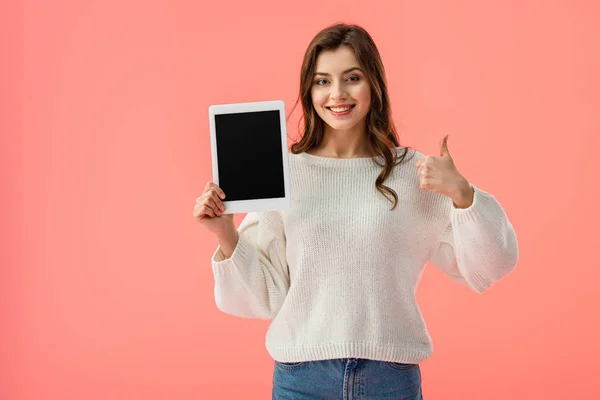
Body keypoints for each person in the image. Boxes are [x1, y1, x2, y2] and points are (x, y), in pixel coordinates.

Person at [194, 23, 519, 400]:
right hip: (301, 380)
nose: (337, 94)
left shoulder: (413, 174)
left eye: (352, 78)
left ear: (374, 85)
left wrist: (462, 193)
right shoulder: (285, 173)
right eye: (322, 81)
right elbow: (264, 297)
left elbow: (491, 265)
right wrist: (225, 233)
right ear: (308, 89)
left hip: (390, 379)